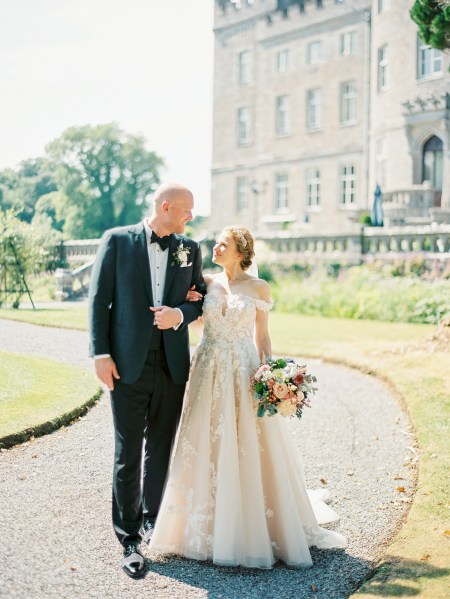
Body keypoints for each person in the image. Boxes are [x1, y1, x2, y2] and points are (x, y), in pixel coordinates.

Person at [149, 225, 347, 568]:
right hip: (208, 368)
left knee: (246, 441)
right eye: (214, 243)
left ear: (240, 251)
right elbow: (196, 318)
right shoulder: (206, 282)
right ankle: (197, 525)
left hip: (243, 370)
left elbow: (263, 336)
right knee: (204, 437)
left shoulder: (259, 287)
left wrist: (271, 375)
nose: (214, 248)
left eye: (221, 244)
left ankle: (250, 524)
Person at [88, 183, 205, 578]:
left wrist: (180, 315)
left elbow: (201, 297)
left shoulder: (190, 248)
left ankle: (155, 521)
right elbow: (99, 298)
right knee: (128, 451)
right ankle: (129, 538)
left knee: (161, 444)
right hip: (125, 365)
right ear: (165, 206)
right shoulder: (117, 242)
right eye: (186, 210)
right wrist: (100, 353)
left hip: (172, 364)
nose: (191, 216)